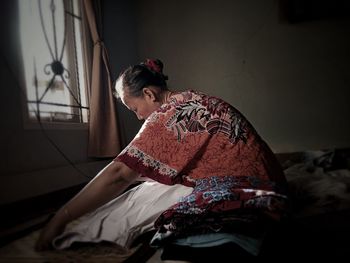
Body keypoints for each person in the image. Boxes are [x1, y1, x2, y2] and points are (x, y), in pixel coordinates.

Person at [36, 59, 289, 259]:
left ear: (148, 94)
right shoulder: (192, 99)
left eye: (134, 108)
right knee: (151, 183)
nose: (137, 117)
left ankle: (78, 232)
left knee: (141, 195)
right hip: (274, 181)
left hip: (250, 190)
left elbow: (119, 174)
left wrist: (63, 215)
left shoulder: (167, 114)